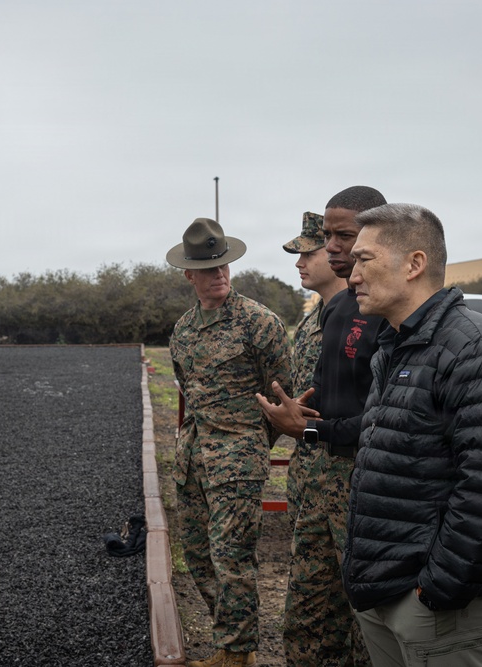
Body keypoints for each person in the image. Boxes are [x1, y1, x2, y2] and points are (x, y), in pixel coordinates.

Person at [342, 203, 482, 667]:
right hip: (386, 592)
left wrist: (439, 589)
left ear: (414, 264)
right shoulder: (396, 345)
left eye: (364, 259)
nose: (352, 277)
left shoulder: (477, 350)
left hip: (436, 606)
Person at [258, 186, 388, 667]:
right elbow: (327, 401)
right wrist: (298, 421)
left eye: (342, 236)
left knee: (367, 619)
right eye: (326, 238)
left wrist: (309, 430)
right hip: (319, 478)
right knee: (308, 614)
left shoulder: (392, 313)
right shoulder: (334, 310)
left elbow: (386, 416)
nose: (331, 247)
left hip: (365, 483)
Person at [167, 218, 293, 667]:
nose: (218, 274)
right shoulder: (183, 330)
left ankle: (237, 654)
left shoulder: (259, 323)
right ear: (189, 274)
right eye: (208, 269)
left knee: (232, 556)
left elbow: (282, 396)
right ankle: (228, 642)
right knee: (198, 554)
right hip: (194, 458)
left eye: (223, 265)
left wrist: (251, 444)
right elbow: (188, 390)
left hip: (237, 461)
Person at [279, 211, 347, 528]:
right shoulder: (308, 325)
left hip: (345, 477)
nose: (299, 263)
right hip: (307, 474)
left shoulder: (365, 319)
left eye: (308, 254)